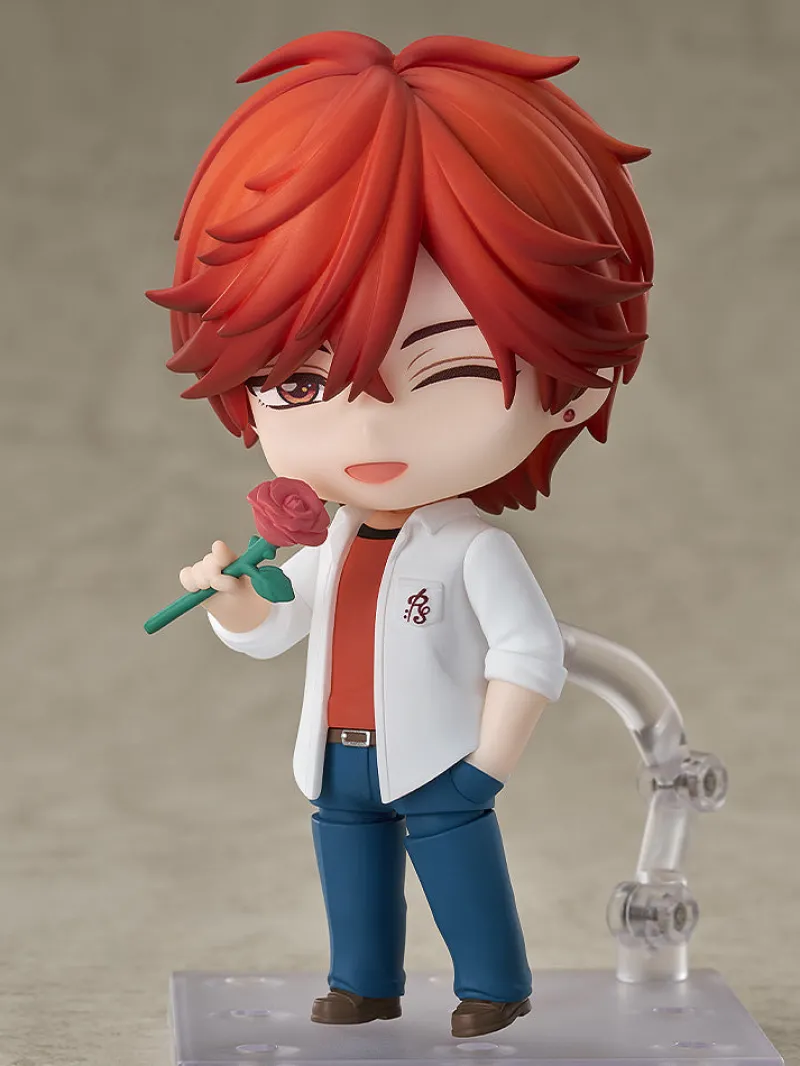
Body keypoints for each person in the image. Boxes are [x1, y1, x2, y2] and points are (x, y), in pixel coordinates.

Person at [147, 30, 653, 1039]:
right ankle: (363, 981)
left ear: (574, 386)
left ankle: (493, 985)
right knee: (349, 867)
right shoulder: (326, 542)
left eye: (454, 371)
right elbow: (277, 630)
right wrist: (234, 596)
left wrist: (486, 764)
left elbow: (528, 652)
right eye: (301, 382)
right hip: (337, 758)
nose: (371, 430)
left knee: (458, 867)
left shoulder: (472, 549)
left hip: (439, 758)